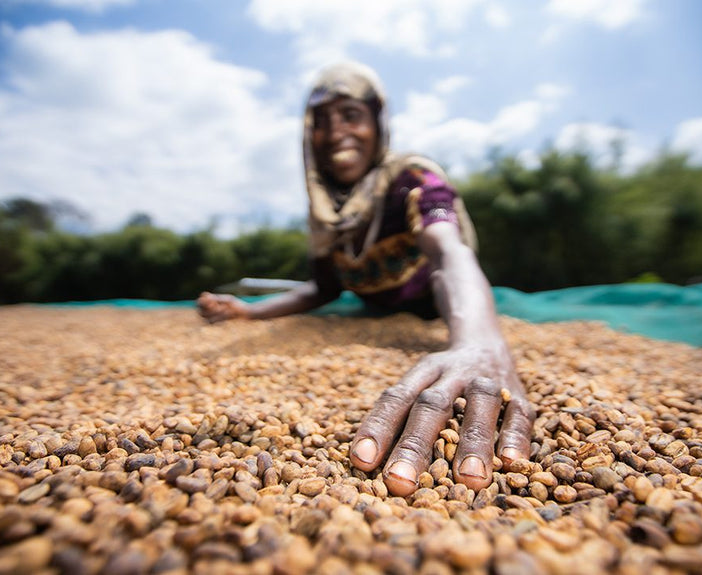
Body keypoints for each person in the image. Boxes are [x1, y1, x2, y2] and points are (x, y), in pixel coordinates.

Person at [197, 61, 534, 497]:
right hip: (375, 305)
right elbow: (323, 288)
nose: (337, 131)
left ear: (378, 124)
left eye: (352, 115)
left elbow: (448, 251)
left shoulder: (412, 180)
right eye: (322, 122)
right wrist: (249, 313)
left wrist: (480, 345)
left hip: (437, 302)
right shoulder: (326, 217)